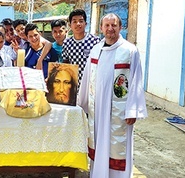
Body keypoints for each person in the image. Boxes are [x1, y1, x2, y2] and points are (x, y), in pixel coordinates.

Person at [78, 13, 148, 178]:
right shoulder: (96, 50)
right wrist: (81, 103)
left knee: (117, 148)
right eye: (107, 25)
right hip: (98, 109)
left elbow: (136, 80)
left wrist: (133, 110)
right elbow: (87, 77)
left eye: (114, 25)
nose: (110, 29)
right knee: (99, 144)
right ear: (101, 28)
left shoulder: (130, 51)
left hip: (120, 111)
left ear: (120, 27)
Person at [62, 9, 100, 87]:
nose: (78, 24)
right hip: (74, 86)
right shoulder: (67, 43)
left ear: (85, 24)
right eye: (74, 21)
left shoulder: (95, 41)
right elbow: (66, 64)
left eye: (81, 21)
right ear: (70, 25)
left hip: (91, 85)